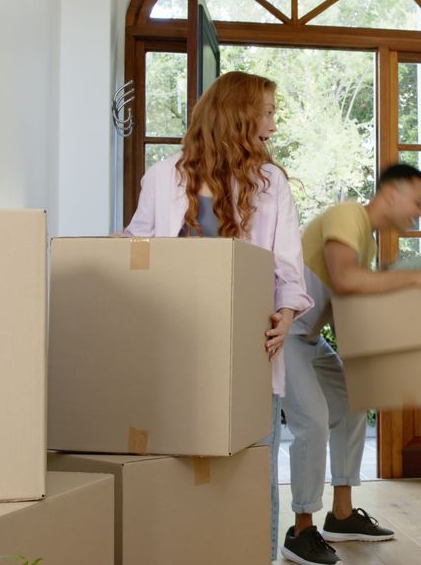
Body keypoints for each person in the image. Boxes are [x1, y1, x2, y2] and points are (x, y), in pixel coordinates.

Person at [122, 71, 312, 561]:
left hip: (249, 348)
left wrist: (287, 315)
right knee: (180, 468)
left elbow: (289, 269)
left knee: (252, 472)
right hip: (178, 345)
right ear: (238, 116)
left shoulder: (272, 184)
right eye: (266, 112)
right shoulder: (165, 177)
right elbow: (135, 246)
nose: (272, 124)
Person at [280, 163, 421, 565]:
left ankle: (341, 516)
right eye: (418, 202)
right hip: (282, 333)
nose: (420, 212)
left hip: (307, 338)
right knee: (312, 417)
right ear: (391, 195)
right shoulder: (348, 215)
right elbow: (346, 280)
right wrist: (420, 278)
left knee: (352, 401)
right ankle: (301, 530)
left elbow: (352, 308)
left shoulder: (367, 241)